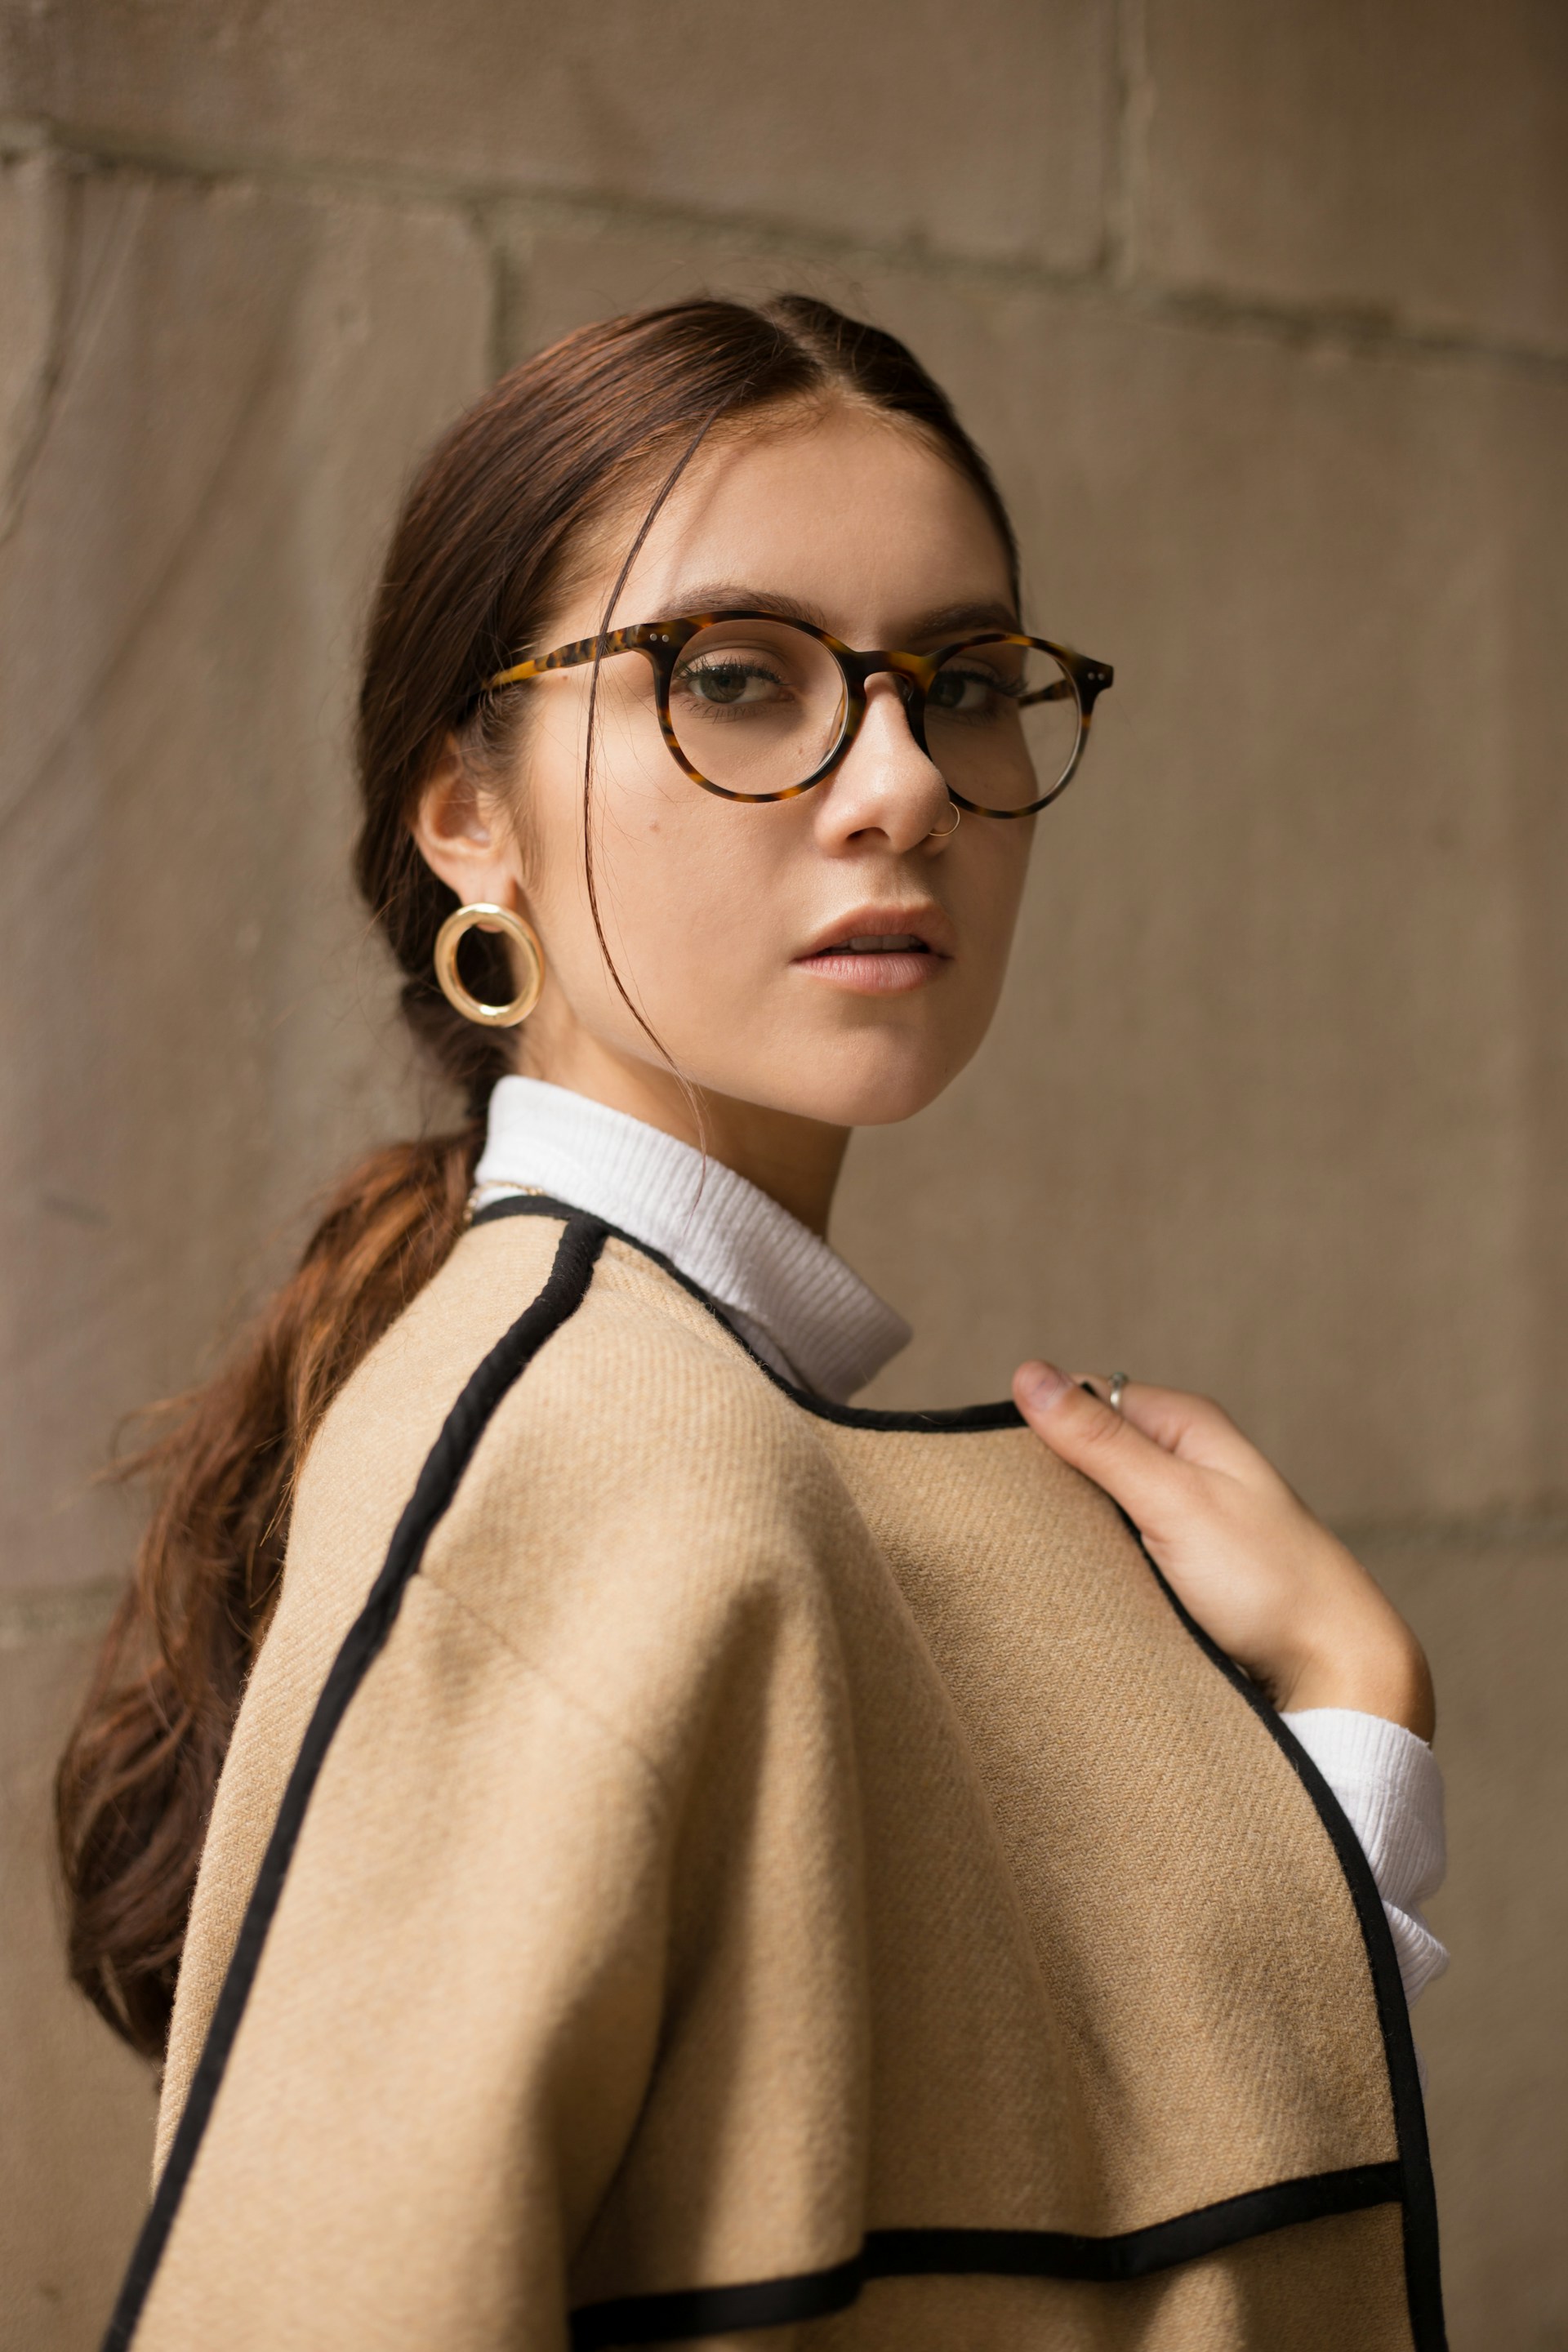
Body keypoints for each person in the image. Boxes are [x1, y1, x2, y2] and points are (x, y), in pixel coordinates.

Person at [60, 297, 1448, 2351]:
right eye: (734, 674)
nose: (899, 783)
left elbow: (1014, 2216)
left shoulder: (668, 1408)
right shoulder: (583, 1451)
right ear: (469, 810)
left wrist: (1343, 1720)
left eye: (964, 681)